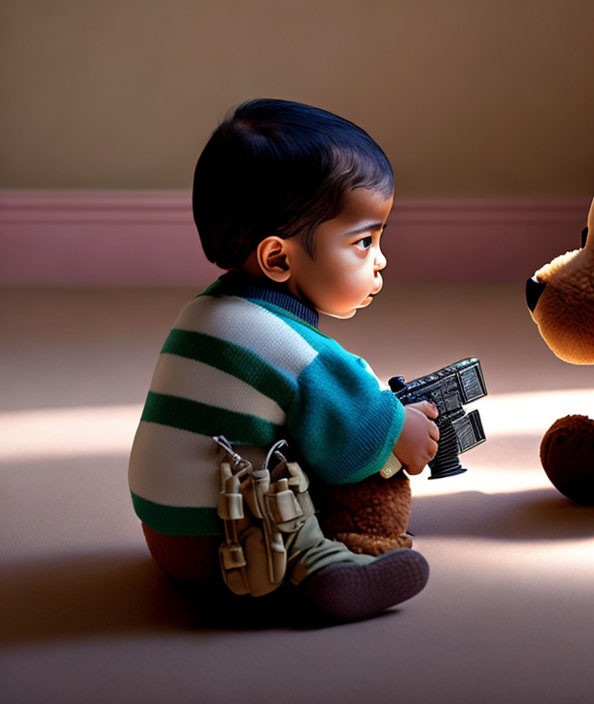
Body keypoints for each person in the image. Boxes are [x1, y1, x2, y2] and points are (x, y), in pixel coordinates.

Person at [128, 98, 439, 623]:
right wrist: (404, 428)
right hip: (232, 543)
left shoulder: (201, 312)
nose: (381, 258)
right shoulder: (297, 351)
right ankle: (325, 569)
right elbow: (355, 439)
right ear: (278, 259)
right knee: (369, 468)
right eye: (364, 242)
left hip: (164, 533)